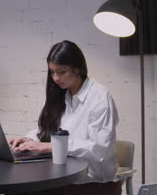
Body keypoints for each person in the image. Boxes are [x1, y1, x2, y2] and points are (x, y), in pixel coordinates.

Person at [9, 40, 120, 195]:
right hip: (63, 177)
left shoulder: (100, 98)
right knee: (17, 187)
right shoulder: (63, 95)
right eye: (52, 72)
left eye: (61, 72)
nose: (55, 78)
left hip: (92, 182)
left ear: (77, 69)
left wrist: (52, 146)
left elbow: (98, 148)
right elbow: (47, 128)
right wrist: (30, 140)